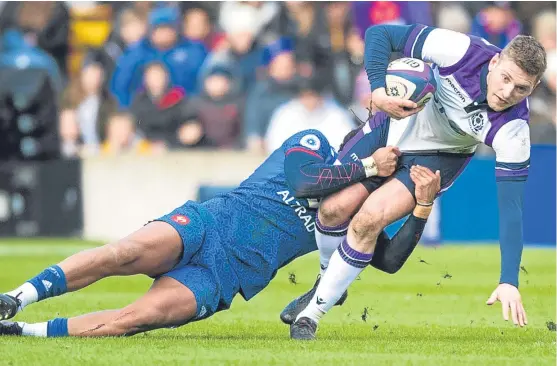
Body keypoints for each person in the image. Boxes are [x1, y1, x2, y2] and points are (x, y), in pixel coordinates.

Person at [0, 128, 431, 337]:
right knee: (123, 253)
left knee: (135, 320)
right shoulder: (315, 143)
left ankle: (23, 332)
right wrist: (370, 167)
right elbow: (303, 182)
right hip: (208, 225)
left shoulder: (361, 209)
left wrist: (422, 206)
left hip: (228, 276)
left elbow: (388, 261)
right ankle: (16, 298)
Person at [288, 23, 547, 340]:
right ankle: (328, 282)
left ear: (532, 89)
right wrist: (379, 90)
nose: (508, 93)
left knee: (366, 221)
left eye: (521, 88)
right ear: (494, 63)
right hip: (397, 120)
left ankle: (311, 315)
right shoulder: (461, 51)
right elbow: (379, 34)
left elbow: (511, 210)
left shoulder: (513, 131)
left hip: (437, 156)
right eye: (506, 79)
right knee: (331, 210)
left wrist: (509, 280)